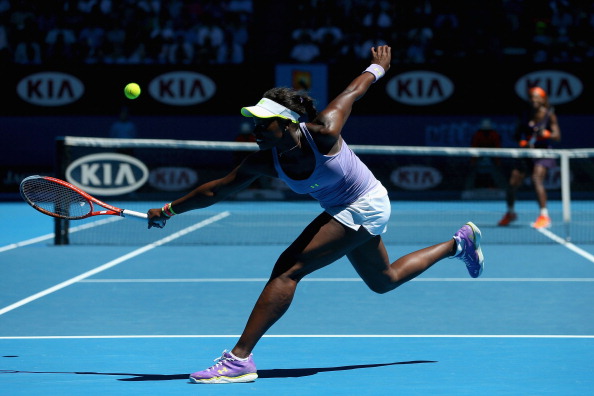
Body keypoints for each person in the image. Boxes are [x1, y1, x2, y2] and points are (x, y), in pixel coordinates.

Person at [147, 45, 484, 384]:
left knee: (288, 269)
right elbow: (215, 190)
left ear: (286, 123)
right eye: (255, 123)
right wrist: (168, 209)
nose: (255, 129)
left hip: (365, 203)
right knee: (385, 281)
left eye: (264, 124)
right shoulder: (264, 160)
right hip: (343, 209)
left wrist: (378, 67)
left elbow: (353, 91)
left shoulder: (323, 132)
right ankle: (458, 244)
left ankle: (238, 360)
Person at [497, 86, 561, 229]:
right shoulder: (525, 114)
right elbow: (516, 134)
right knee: (513, 182)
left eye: (537, 97)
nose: (534, 100)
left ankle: (544, 216)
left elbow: (557, 136)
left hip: (543, 152)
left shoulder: (549, 115)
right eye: (532, 97)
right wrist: (523, 141)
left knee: (536, 179)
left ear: (543, 99)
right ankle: (510, 213)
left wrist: (547, 134)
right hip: (526, 152)